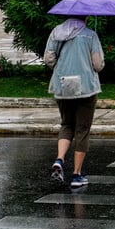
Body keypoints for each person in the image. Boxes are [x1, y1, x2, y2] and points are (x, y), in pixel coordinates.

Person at [44, 16, 105, 188]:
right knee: (82, 129)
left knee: (67, 124)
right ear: (84, 18)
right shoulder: (90, 35)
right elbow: (98, 65)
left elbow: (48, 59)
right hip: (86, 87)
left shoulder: (56, 32)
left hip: (62, 85)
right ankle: (76, 174)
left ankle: (60, 159)